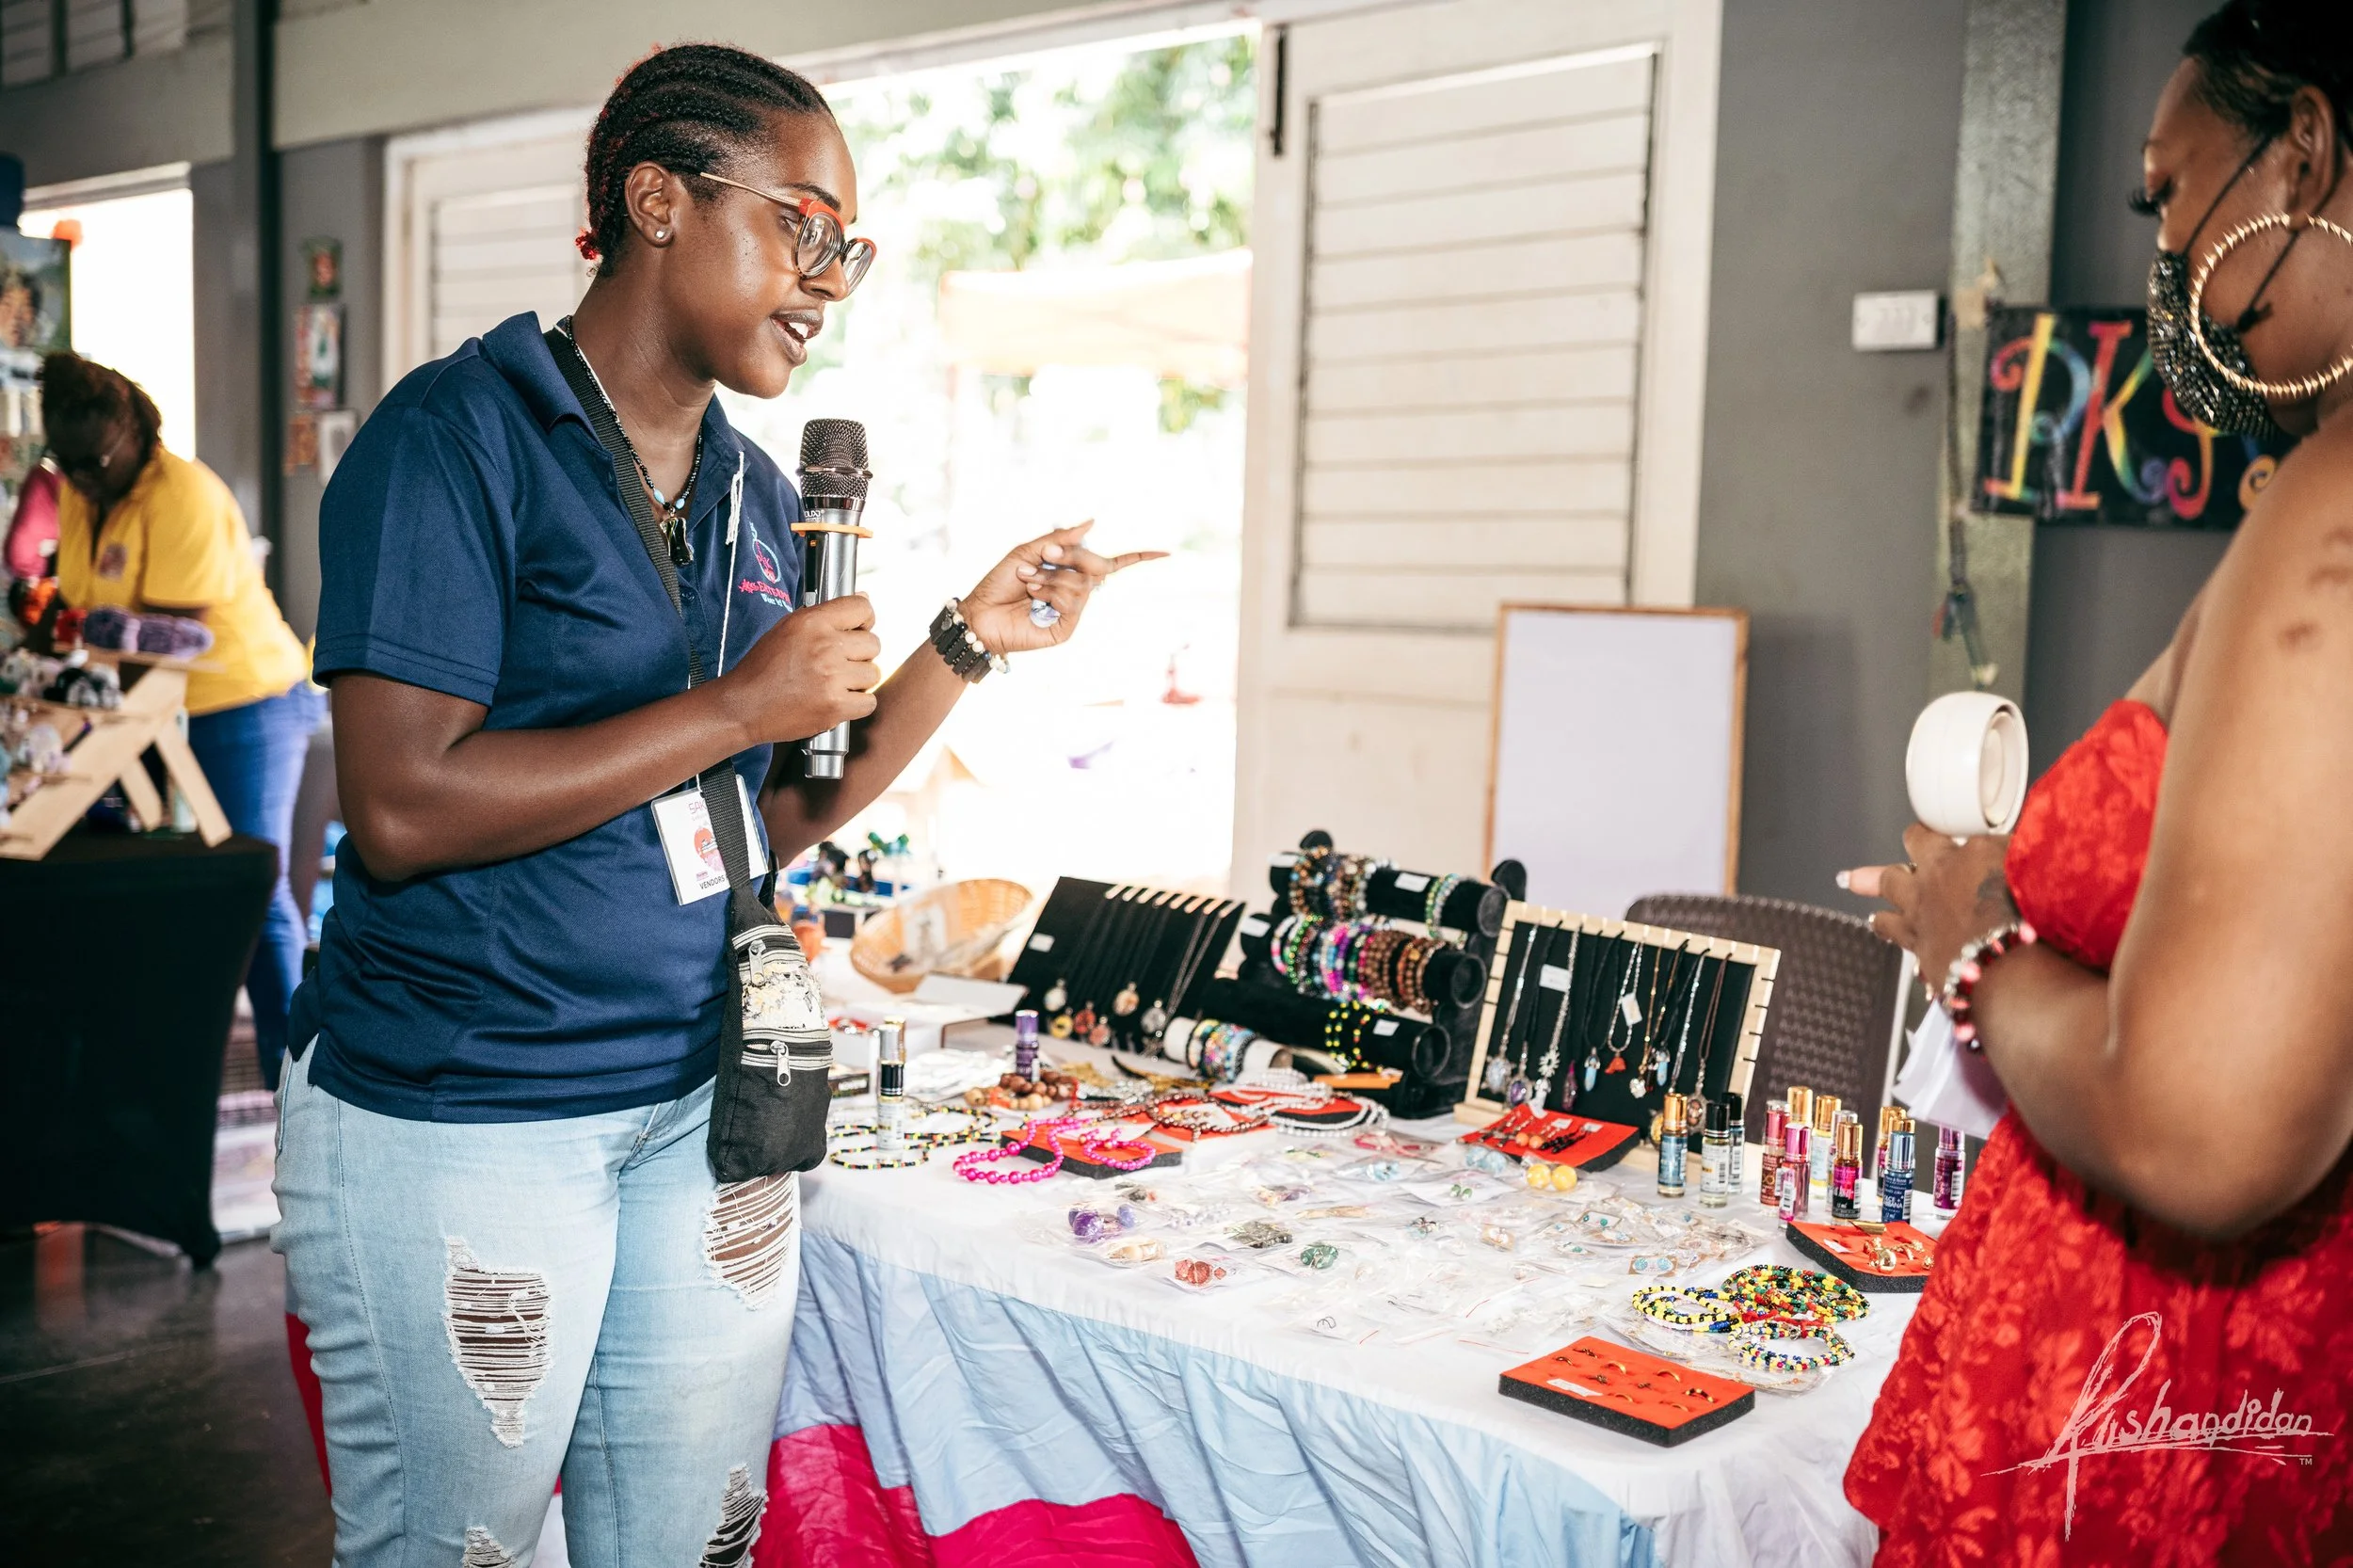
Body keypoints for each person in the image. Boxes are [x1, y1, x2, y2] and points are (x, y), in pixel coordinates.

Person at [271, 42, 1160, 1566]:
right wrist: (738, 704)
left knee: (694, 1548)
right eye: (804, 227)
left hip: (702, 1107)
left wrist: (963, 639)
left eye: (850, 252)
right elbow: (405, 805)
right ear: (658, 200)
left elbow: (775, 807)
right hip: (470, 1116)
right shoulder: (454, 439)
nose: (827, 284)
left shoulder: (754, 488)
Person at [1841, 5, 2353, 1560]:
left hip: (2139, 1442)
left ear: (2308, 149)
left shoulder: (2335, 509)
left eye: (2168, 196)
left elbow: (2208, 1131)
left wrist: (1978, 946)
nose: (2168, 257)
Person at [45, 352, 318, 1088]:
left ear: (134, 430)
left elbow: (157, 646)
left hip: (243, 698)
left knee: (252, 888)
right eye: (63, 463)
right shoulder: (80, 487)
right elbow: (82, 613)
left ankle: (293, 1083)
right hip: (151, 704)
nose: (80, 478)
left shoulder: (185, 495)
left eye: (94, 460)